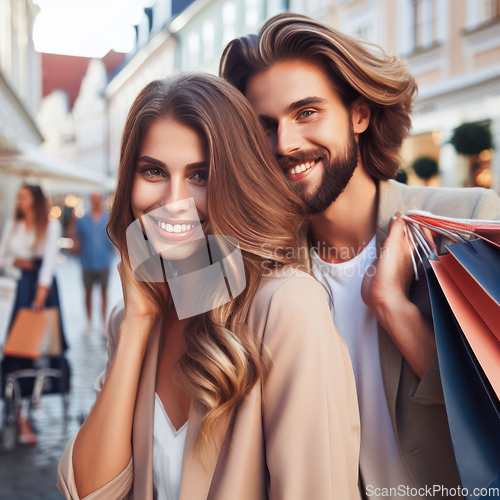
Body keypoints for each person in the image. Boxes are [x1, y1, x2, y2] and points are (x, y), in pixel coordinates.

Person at [220, 13, 500, 499]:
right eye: (265, 126)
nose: (285, 143)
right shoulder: (260, 271)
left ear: (359, 114)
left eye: (306, 112)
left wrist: (394, 307)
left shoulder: (468, 220)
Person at [57, 74, 360, 499]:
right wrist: (137, 327)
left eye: (200, 175)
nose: (173, 201)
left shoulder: (285, 306)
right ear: (129, 181)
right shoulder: (131, 322)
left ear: (237, 182)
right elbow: (91, 492)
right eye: (153, 171)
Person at [0, 184, 69, 445]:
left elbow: (49, 260)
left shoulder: (50, 226)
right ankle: (18, 411)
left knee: (39, 351)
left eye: (24, 196)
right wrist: (15, 261)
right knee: (16, 350)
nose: (19, 200)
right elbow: (2, 259)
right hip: (16, 289)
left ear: (36, 200)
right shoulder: (13, 225)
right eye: (18, 196)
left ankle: (30, 407)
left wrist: (40, 296)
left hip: (41, 291)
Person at [73, 192, 114, 333]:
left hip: (104, 261)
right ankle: (89, 322)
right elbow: (77, 239)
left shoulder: (108, 218)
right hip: (87, 262)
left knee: (104, 292)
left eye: (97, 199)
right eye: (93, 200)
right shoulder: (83, 220)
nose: (95, 202)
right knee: (88, 292)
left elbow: (113, 238)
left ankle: (103, 323)